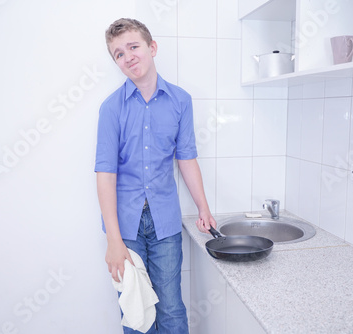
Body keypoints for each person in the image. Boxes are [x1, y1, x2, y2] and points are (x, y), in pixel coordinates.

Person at [95, 18, 217, 334]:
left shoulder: (181, 101)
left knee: (171, 308)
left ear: (152, 47)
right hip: (124, 227)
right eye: (118, 54)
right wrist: (113, 240)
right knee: (137, 312)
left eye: (133, 47)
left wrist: (204, 208)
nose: (128, 56)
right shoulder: (111, 109)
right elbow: (105, 175)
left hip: (165, 221)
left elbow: (186, 159)